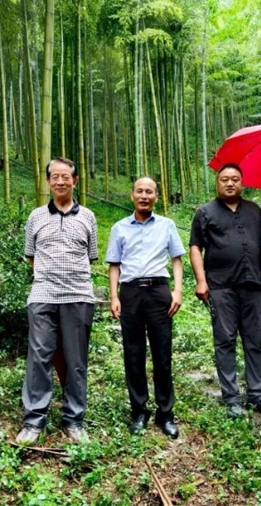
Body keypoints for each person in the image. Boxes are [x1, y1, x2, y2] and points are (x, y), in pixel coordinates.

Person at [17, 157, 98, 445]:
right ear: (48, 181)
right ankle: (34, 421)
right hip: (42, 296)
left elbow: (90, 257)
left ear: (75, 181)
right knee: (39, 358)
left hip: (78, 295)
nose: (61, 182)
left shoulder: (88, 216)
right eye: (55, 177)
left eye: (66, 177)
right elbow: (31, 256)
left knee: (76, 361)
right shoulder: (36, 216)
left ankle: (74, 420)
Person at [189, 164, 261, 420]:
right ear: (217, 183)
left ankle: (258, 395)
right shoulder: (204, 212)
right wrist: (201, 280)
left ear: (242, 183)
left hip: (252, 286)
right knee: (225, 341)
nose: (230, 183)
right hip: (220, 286)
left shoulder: (253, 210)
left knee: (254, 341)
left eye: (235, 179)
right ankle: (231, 398)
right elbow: (195, 247)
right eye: (225, 179)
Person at [106, 177, 185, 439]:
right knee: (133, 354)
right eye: (139, 191)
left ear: (156, 196)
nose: (144, 196)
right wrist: (114, 296)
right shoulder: (119, 228)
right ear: (132, 195)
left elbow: (176, 259)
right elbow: (114, 264)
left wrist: (177, 291)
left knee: (163, 354)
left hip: (158, 291)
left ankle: (166, 413)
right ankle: (139, 411)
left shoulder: (167, 225)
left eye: (149, 192)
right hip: (130, 293)